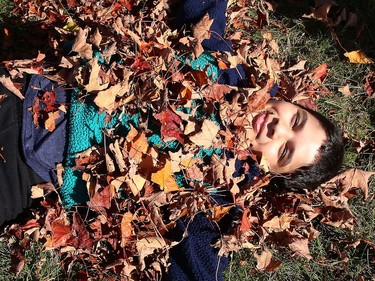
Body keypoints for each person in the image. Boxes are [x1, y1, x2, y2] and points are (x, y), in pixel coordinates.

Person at [0, 0, 344, 280]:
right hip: (40, 92)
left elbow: (198, 265)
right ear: (290, 102)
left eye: (285, 149)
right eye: (295, 120)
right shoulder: (228, 69)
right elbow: (203, 12)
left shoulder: (218, 194)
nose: (277, 129)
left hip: (34, 165)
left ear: (271, 172)